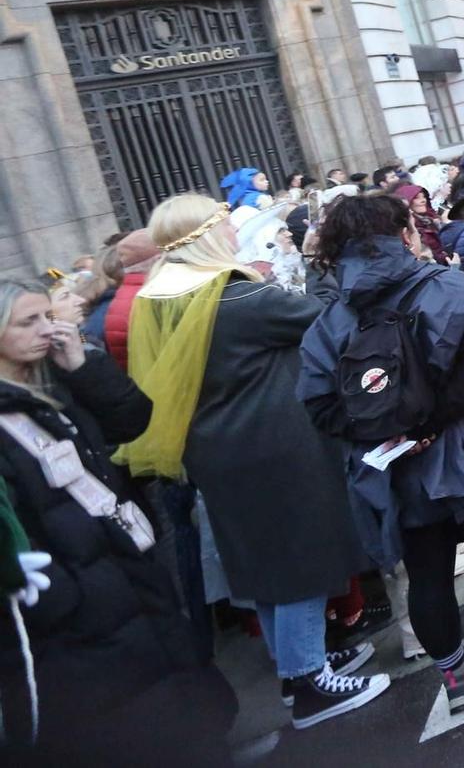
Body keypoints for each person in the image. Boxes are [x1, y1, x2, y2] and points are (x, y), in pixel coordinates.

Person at [119, 194, 386, 731]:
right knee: (299, 562)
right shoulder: (237, 298)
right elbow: (326, 319)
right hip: (275, 448)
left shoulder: (160, 297)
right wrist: (317, 264)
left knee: (262, 567)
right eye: (223, 224)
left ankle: (294, 672)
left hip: (219, 454)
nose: (234, 233)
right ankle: (310, 679)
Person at [299, 193, 464, 714]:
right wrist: (432, 422)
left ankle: (458, 677)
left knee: (426, 574)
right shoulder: (452, 287)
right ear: (403, 234)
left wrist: (389, 433)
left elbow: (319, 406)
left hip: (393, 469)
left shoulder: (327, 326)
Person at [0, 281, 236, 764]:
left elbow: (132, 420)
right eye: (29, 321)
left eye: (48, 315)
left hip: (127, 572)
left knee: (177, 700)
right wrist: (67, 595)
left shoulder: (53, 379)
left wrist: (85, 366)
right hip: (82, 607)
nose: (48, 329)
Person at [395, 183, 451, 263]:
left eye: (424, 197)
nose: (423, 200)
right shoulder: (409, 230)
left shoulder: (433, 219)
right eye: (416, 198)